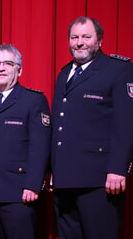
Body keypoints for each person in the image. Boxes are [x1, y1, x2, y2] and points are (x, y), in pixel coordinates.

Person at [51, 16, 133, 239]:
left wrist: (118, 168)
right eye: (74, 37)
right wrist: (53, 170)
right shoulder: (64, 74)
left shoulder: (118, 69)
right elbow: (59, 126)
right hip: (65, 179)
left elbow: (125, 123)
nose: (79, 42)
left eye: (86, 37)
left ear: (100, 41)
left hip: (98, 179)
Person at [0, 44, 51, 239]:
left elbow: (40, 146)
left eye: (8, 63)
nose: (1, 68)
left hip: (18, 193)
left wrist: (32, 184)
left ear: (19, 70)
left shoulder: (33, 100)